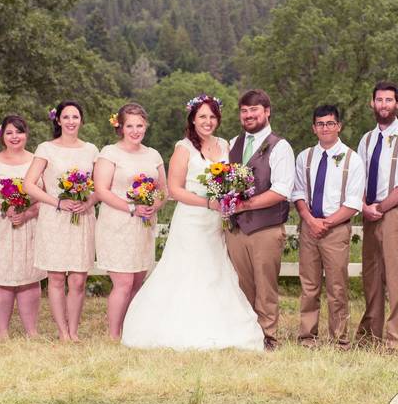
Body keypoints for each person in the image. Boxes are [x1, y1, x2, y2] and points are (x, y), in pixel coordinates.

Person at [121, 95, 264, 351]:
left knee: (216, 269)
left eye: (212, 116)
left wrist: (230, 194)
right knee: (187, 270)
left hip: (217, 221)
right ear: (193, 120)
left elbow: (230, 178)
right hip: (192, 220)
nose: (207, 122)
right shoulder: (183, 148)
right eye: (202, 117)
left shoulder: (225, 145)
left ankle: (220, 326)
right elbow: (175, 190)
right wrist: (208, 203)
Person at [225, 89, 295, 351]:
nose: (248, 115)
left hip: (266, 228)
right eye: (244, 111)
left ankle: (269, 337)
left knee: (265, 286)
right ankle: (246, 336)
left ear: (267, 112)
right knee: (242, 286)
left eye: (254, 110)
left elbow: (281, 191)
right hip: (236, 230)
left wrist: (244, 204)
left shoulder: (280, 146)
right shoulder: (233, 143)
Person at [24, 101, 99, 342]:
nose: (70, 121)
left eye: (75, 116)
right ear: (58, 121)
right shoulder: (46, 148)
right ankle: (62, 332)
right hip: (54, 218)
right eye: (65, 117)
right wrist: (56, 202)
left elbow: (100, 186)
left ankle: (74, 331)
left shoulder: (91, 150)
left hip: (81, 217)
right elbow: (28, 184)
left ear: (81, 120)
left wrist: (88, 202)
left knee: (78, 278)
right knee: (56, 277)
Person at [291, 105, 365, 349]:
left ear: (339, 126)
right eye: (320, 124)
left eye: (330, 123)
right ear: (314, 128)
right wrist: (310, 221)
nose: (325, 128)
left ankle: (339, 339)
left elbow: (354, 202)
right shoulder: (305, 157)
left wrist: (327, 223)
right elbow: (298, 192)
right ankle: (307, 337)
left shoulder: (352, 159)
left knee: (337, 286)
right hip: (309, 228)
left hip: (336, 230)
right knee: (309, 285)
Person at [355, 81, 398, 349]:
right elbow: (357, 180)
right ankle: (371, 334)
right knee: (371, 276)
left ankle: (396, 339)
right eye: (379, 100)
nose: (383, 105)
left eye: (389, 100)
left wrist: (379, 209)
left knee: (395, 277)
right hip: (370, 214)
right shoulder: (367, 139)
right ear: (372, 103)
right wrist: (363, 207)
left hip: (394, 213)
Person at [94, 103, 166, 340]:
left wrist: (155, 203)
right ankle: (114, 335)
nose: (135, 131)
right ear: (121, 128)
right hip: (117, 224)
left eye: (140, 125)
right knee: (123, 282)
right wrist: (132, 207)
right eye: (130, 126)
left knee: (137, 281)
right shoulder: (109, 153)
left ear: (146, 126)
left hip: (143, 226)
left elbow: (163, 190)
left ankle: (130, 332)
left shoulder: (153, 155)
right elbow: (102, 190)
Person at [0, 115, 44, 340]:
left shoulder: (37, 161)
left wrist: (29, 212)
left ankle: (32, 331)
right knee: (1, 281)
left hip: (30, 226)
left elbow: (46, 196)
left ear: (26, 134)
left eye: (19, 132)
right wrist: (6, 210)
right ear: (2, 135)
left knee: (30, 280)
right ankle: (3, 332)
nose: (15, 137)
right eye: (9, 133)